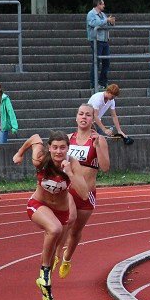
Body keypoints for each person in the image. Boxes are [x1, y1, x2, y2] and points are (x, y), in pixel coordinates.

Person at [13, 132, 88, 300]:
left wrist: (70, 172)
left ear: (68, 149)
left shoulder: (73, 164)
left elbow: (84, 194)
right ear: (49, 148)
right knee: (54, 229)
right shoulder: (40, 158)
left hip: (61, 211)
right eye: (55, 147)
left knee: (57, 233)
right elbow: (34, 138)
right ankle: (44, 274)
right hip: (37, 204)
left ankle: (44, 279)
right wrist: (20, 153)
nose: (58, 151)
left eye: (62, 147)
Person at [58, 104, 110, 278]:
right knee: (69, 218)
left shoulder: (99, 139)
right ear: (76, 117)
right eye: (81, 114)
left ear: (92, 119)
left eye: (88, 115)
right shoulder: (67, 139)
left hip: (87, 193)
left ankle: (67, 258)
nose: (84, 117)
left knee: (76, 231)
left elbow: (105, 167)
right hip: (69, 189)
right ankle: (56, 252)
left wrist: (97, 146)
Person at [86, 0, 116, 88]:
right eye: (102, 4)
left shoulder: (103, 14)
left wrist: (111, 22)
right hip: (96, 40)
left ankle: (103, 81)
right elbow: (94, 23)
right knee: (96, 61)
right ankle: (93, 83)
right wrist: (106, 20)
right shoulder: (91, 14)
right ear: (98, 4)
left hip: (104, 40)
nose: (104, 5)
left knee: (106, 62)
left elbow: (105, 23)